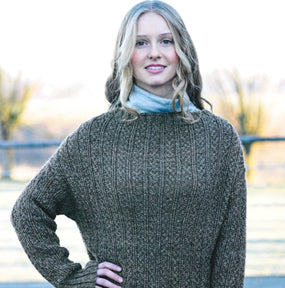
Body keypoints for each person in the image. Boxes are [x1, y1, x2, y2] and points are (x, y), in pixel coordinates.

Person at [11, 1, 247, 287]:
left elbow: (231, 248)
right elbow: (28, 210)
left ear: (181, 49)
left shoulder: (219, 138)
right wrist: (71, 277)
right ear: (125, 54)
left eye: (166, 40)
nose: (155, 53)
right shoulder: (93, 138)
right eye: (141, 43)